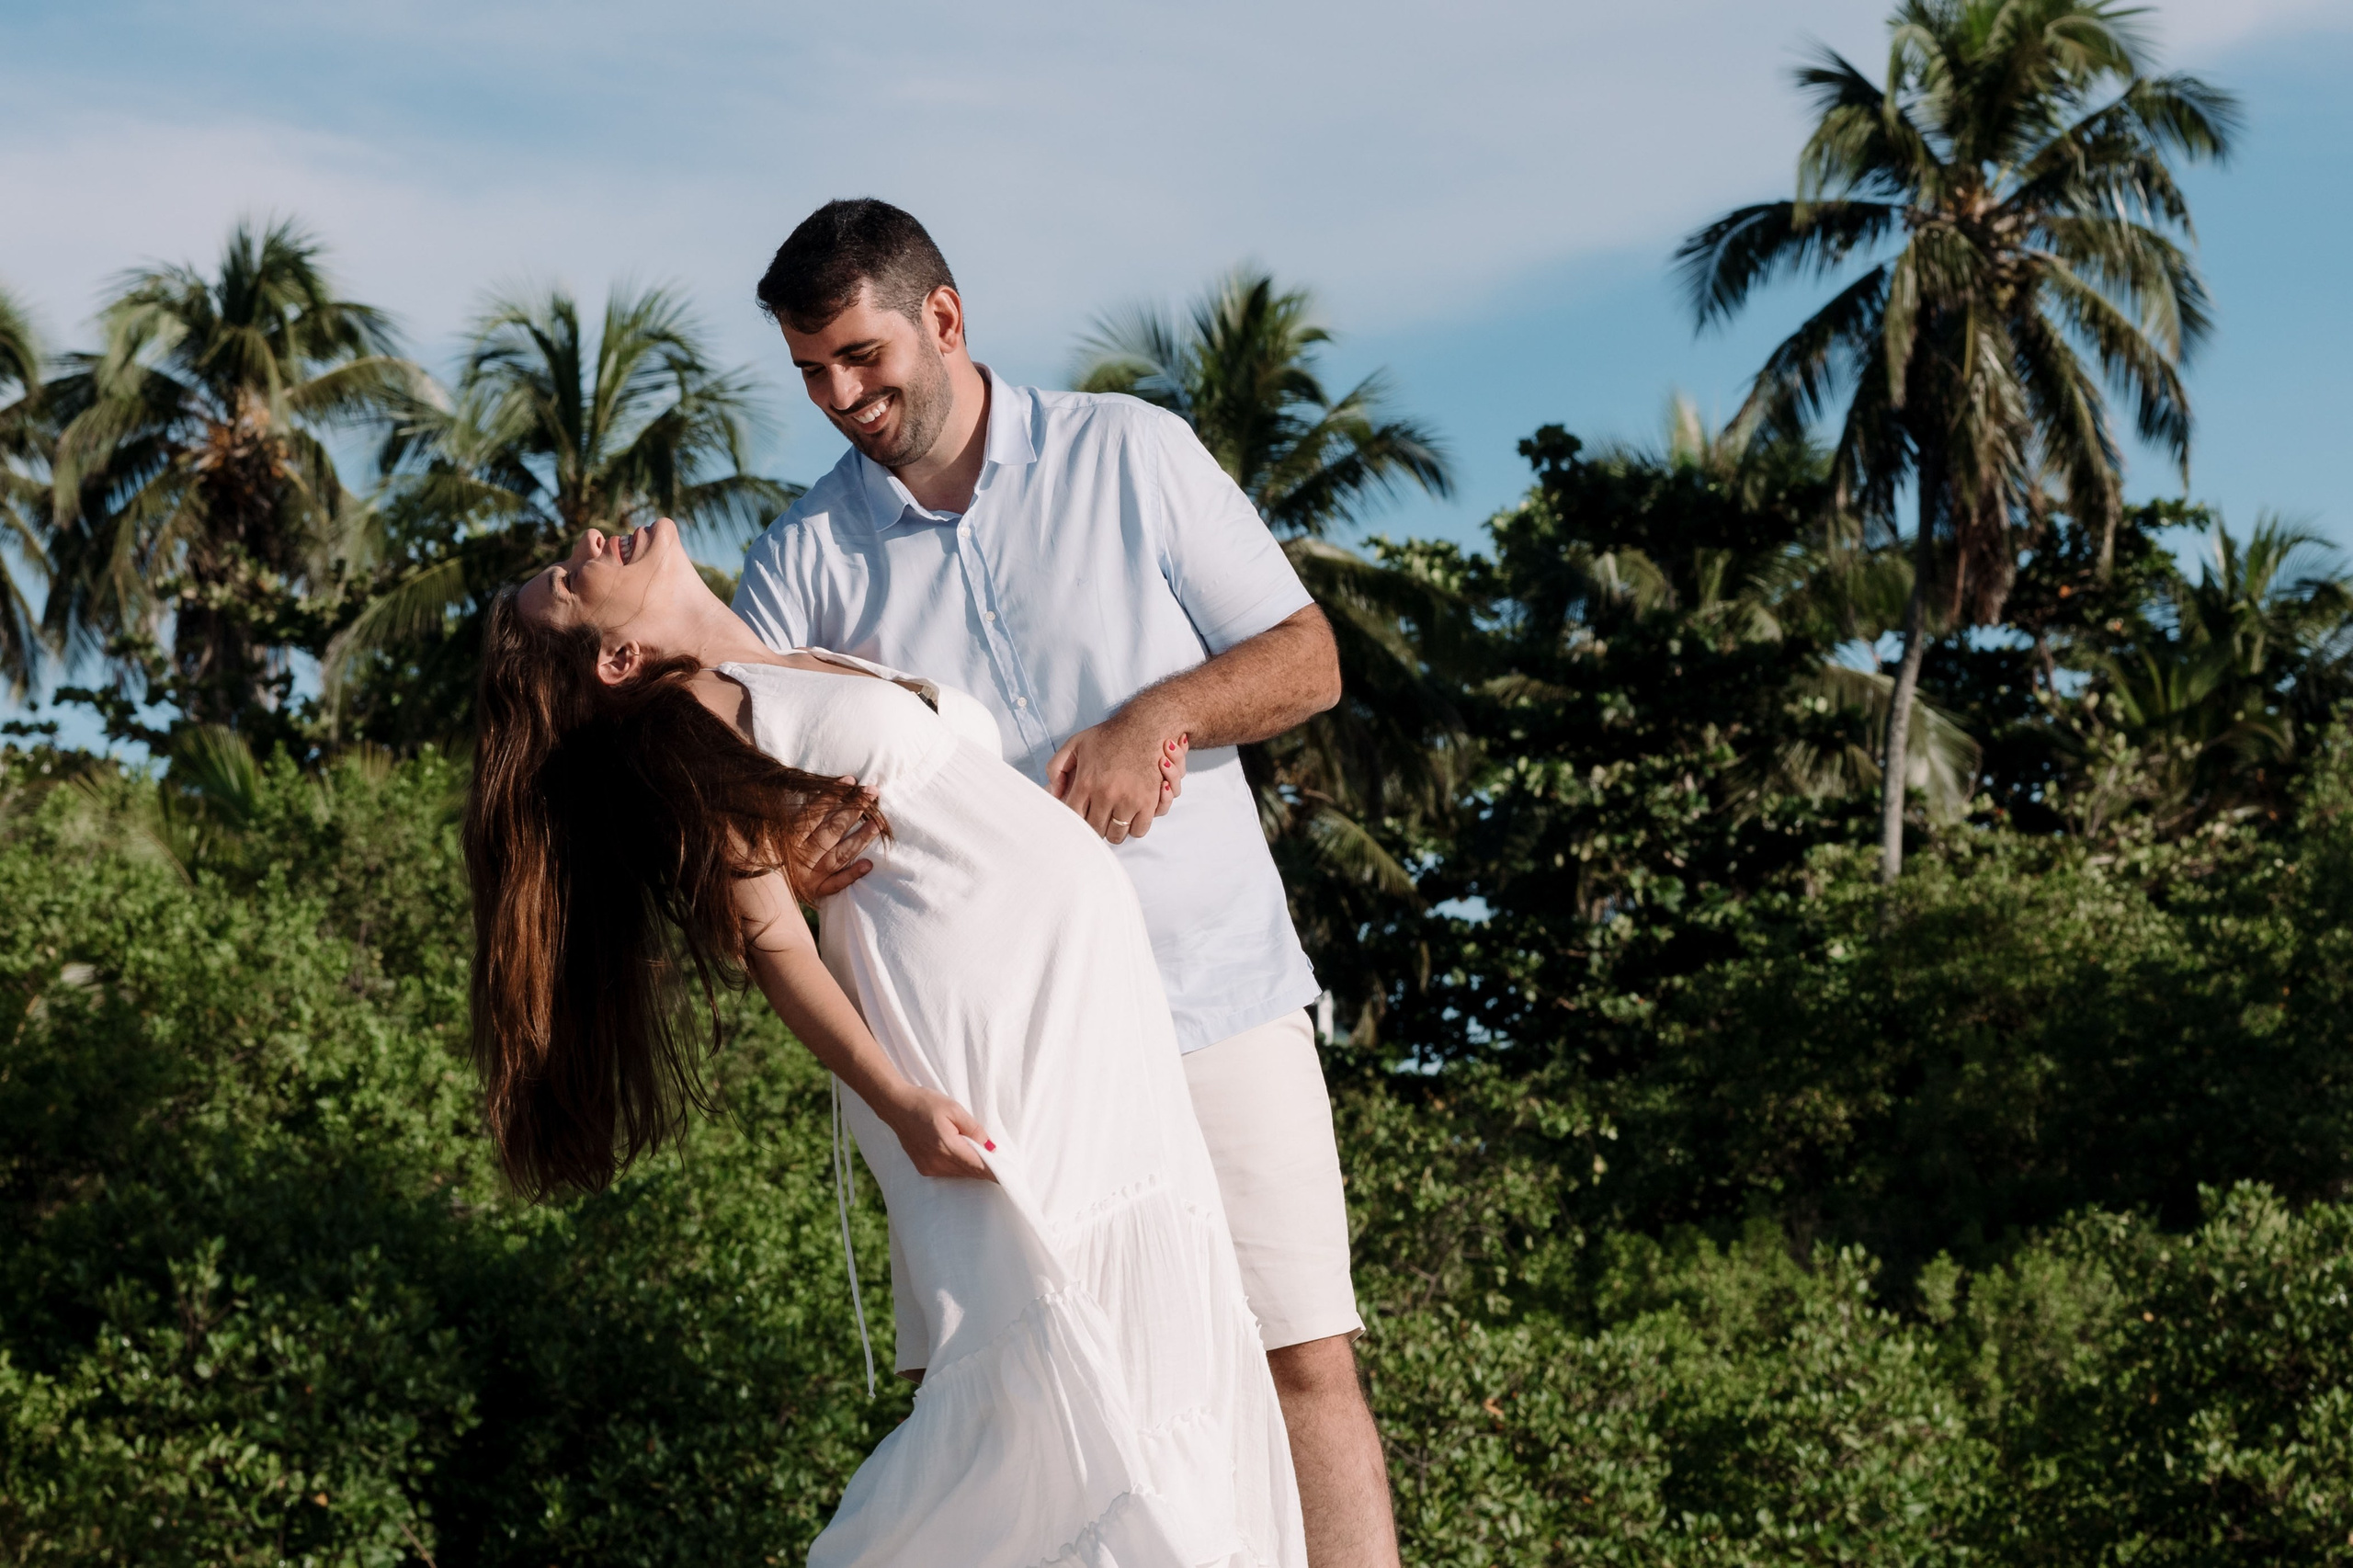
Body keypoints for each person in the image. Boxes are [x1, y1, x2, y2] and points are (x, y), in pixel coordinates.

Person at [732, 199, 1401, 1567]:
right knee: (1003, 1421)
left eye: (859, 355)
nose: (839, 396)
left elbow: (1309, 657)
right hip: (1000, 1068)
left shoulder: (1132, 453)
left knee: (1298, 1362)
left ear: (946, 318)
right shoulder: (796, 563)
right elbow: (748, 825)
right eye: (810, 371)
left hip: (1212, 994)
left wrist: (1164, 712)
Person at [466, 516, 1306, 1566]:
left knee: (1151, 1356)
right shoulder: (691, 713)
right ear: (617, 656)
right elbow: (771, 941)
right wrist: (899, 1100)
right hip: (984, 1040)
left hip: (1086, 1016)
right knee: (1061, 1383)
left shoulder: (785, 658)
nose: (588, 536)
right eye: (566, 575)